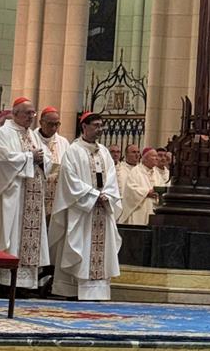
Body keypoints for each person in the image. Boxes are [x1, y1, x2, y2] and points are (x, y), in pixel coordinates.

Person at [0, 97, 52, 290]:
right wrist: (29, 157)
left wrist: (42, 160)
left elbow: (46, 157)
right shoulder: (3, 133)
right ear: (15, 113)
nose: (31, 117)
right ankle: (1, 283)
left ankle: (23, 284)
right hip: (11, 195)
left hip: (31, 194)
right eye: (28, 113)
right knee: (8, 235)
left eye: (33, 113)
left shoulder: (33, 135)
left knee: (26, 238)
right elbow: (3, 160)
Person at [49, 112, 121, 300]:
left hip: (102, 208)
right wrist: (93, 195)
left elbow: (112, 178)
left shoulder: (104, 151)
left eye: (101, 125)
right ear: (84, 127)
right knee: (79, 245)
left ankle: (98, 291)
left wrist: (107, 195)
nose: (100, 129)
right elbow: (69, 179)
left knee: (101, 248)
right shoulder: (73, 150)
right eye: (96, 125)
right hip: (82, 209)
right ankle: (72, 290)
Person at [34, 106, 70, 218]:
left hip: (57, 194)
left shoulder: (63, 142)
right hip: (36, 192)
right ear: (41, 122)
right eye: (50, 124)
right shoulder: (32, 139)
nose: (54, 128)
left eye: (57, 124)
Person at [118, 147, 163, 225]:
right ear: (145, 158)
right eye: (154, 156)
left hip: (154, 208)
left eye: (157, 156)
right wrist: (147, 192)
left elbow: (162, 186)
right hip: (139, 209)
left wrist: (158, 192)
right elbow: (131, 189)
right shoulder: (136, 171)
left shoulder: (157, 173)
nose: (157, 158)